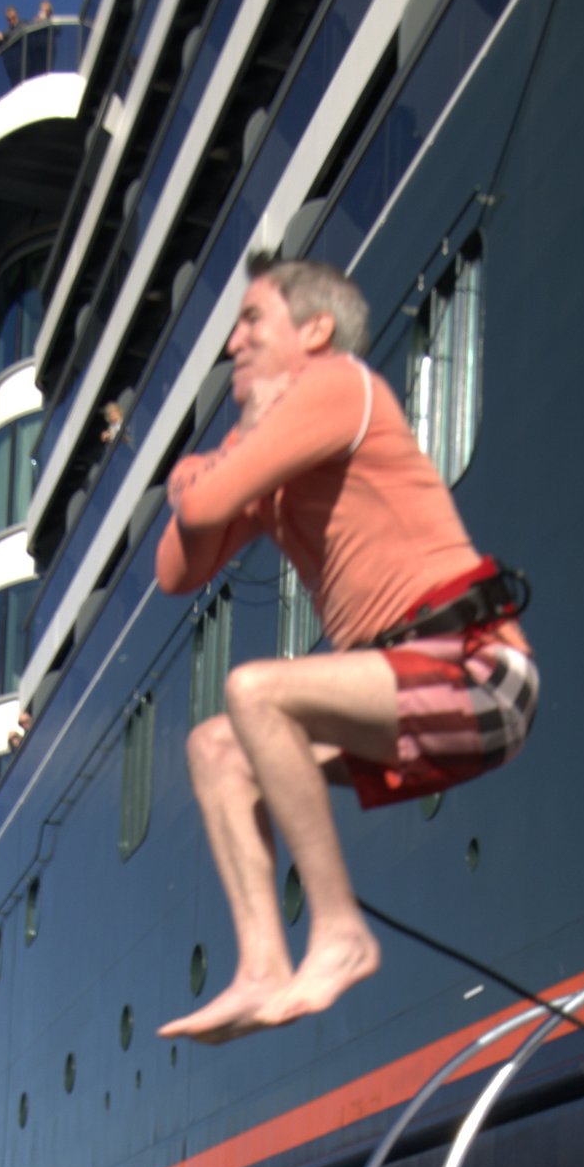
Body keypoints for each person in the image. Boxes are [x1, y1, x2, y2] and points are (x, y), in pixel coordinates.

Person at [154, 251, 535, 1041]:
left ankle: (339, 931)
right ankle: (262, 967)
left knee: (256, 690)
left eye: (253, 320)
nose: (234, 344)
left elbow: (207, 498)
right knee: (215, 749)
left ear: (315, 330)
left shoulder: (339, 386)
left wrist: (197, 471)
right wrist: (219, 466)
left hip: (479, 673)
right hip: (406, 689)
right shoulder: (274, 471)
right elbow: (176, 571)